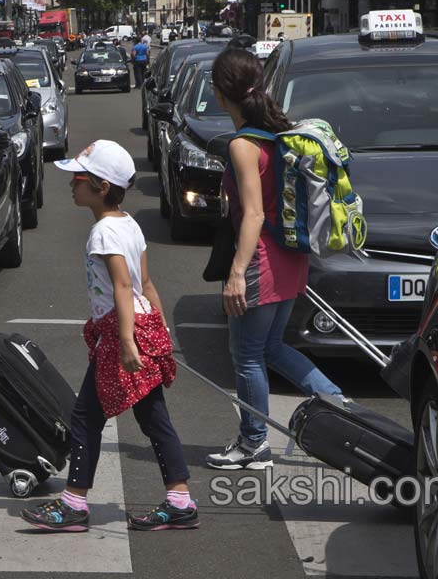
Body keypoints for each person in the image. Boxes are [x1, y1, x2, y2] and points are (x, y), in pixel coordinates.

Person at [20, 141, 198, 532]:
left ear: (101, 187)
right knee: (151, 417)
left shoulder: (104, 232)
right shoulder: (129, 223)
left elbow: (122, 286)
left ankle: (75, 504)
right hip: (137, 326)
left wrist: (129, 342)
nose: (71, 185)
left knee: (85, 419)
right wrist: (161, 331)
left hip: (122, 335)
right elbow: (145, 283)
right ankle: (179, 498)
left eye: (78, 179)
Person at [202, 48, 345, 471]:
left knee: (246, 354)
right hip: (290, 258)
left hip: (261, 258)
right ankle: (339, 401)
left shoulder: (243, 144)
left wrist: (234, 275)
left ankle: (253, 443)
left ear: (220, 92)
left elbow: (254, 213)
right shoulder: (276, 134)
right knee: (271, 348)